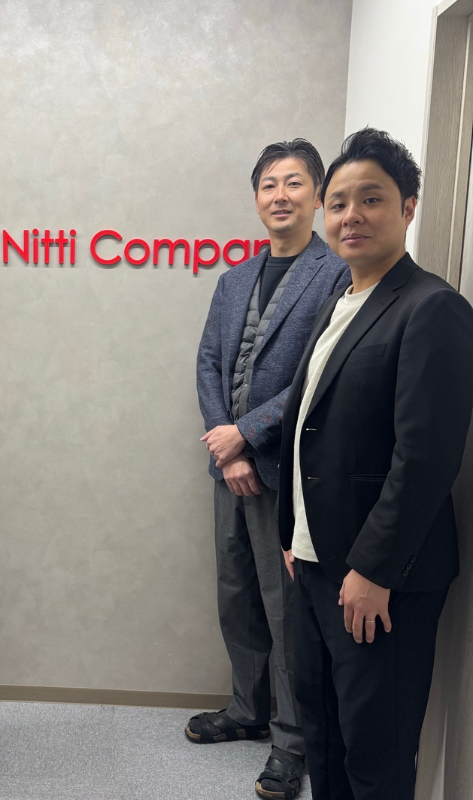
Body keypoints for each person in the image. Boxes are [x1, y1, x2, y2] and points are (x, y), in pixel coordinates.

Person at [278, 127, 473, 800]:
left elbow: (425, 457)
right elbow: (313, 430)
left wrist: (374, 568)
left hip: (378, 579)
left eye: (371, 199)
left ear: (408, 207)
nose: (351, 216)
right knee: (324, 738)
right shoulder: (339, 304)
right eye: (338, 203)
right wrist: (293, 535)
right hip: (314, 565)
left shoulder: (433, 308)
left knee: (376, 754)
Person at [194, 140, 350, 799]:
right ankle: (247, 708)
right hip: (229, 468)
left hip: (287, 473)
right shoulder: (234, 279)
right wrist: (226, 447)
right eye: (268, 184)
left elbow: (321, 372)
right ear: (256, 197)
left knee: (287, 609)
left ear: (317, 195)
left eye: (294, 182)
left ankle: (292, 740)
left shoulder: (336, 274)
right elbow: (208, 362)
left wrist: (248, 436)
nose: (279, 195)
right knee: (236, 592)